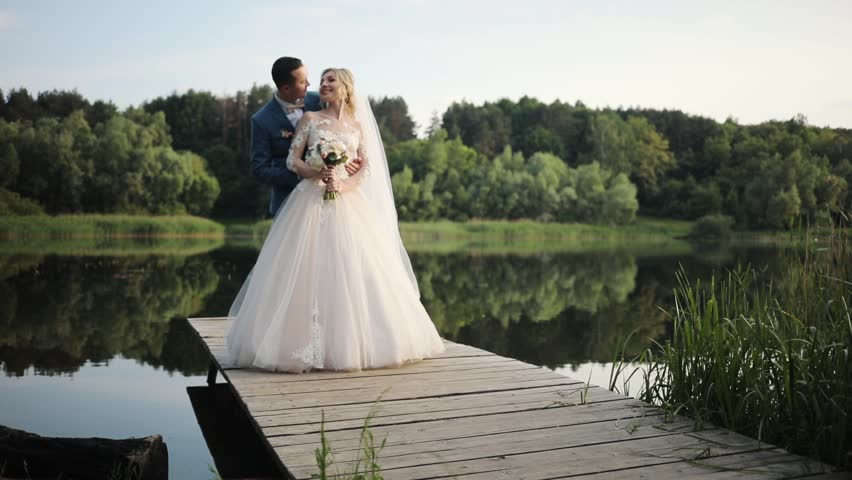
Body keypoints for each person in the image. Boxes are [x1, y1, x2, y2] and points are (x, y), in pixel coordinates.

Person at [226, 67, 445, 372]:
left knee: (352, 270)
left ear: (345, 88)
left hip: (348, 202)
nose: (322, 85)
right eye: (321, 81)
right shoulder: (310, 119)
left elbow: (365, 167)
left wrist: (343, 184)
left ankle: (352, 342)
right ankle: (295, 344)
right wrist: (318, 172)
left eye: (330, 80)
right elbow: (293, 160)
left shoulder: (356, 127)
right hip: (309, 201)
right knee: (303, 270)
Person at [250, 57, 359, 217]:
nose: (309, 84)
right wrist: (307, 173)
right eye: (303, 82)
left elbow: (343, 129)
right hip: (287, 200)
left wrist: (351, 162)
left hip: (334, 196)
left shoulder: (320, 99)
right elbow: (259, 169)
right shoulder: (261, 120)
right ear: (286, 88)